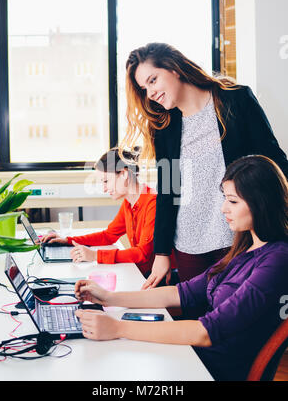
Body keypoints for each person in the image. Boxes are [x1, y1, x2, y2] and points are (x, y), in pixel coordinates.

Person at [74, 155, 288, 381]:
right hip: (195, 355)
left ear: (261, 202)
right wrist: (108, 297)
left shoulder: (277, 259)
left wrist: (118, 328)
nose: (223, 208)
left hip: (210, 369)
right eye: (225, 198)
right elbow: (180, 292)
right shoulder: (244, 248)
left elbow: (207, 331)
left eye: (233, 201)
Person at [120, 42, 288, 288]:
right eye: (145, 88)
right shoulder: (162, 126)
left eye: (153, 80)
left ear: (174, 68)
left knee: (236, 318)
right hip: (188, 244)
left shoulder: (235, 100)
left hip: (238, 238)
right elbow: (167, 190)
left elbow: (274, 161)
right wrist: (162, 252)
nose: (150, 93)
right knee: (197, 317)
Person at [42, 147, 176, 278]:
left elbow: (142, 253)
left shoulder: (152, 202)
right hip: (141, 273)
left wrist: (95, 256)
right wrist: (67, 240)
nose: (104, 189)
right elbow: (108, 235)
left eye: (106, 181)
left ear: (124, 174)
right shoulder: (129, 202)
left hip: (160, 278)